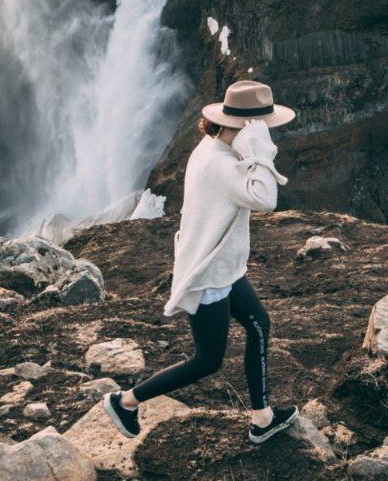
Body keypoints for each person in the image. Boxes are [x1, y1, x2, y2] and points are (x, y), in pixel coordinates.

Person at [103, 79, 299, 444]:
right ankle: (125, 401)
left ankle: (263, 418)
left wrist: (249, 150)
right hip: (209, 275)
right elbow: (266, 198)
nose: (266, 131)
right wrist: (260, 151)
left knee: (259, 324)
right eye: (261, 126)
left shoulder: (210, 148)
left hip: (224, 268)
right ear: (245, 127)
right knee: (207, 361)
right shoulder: (222, 166)